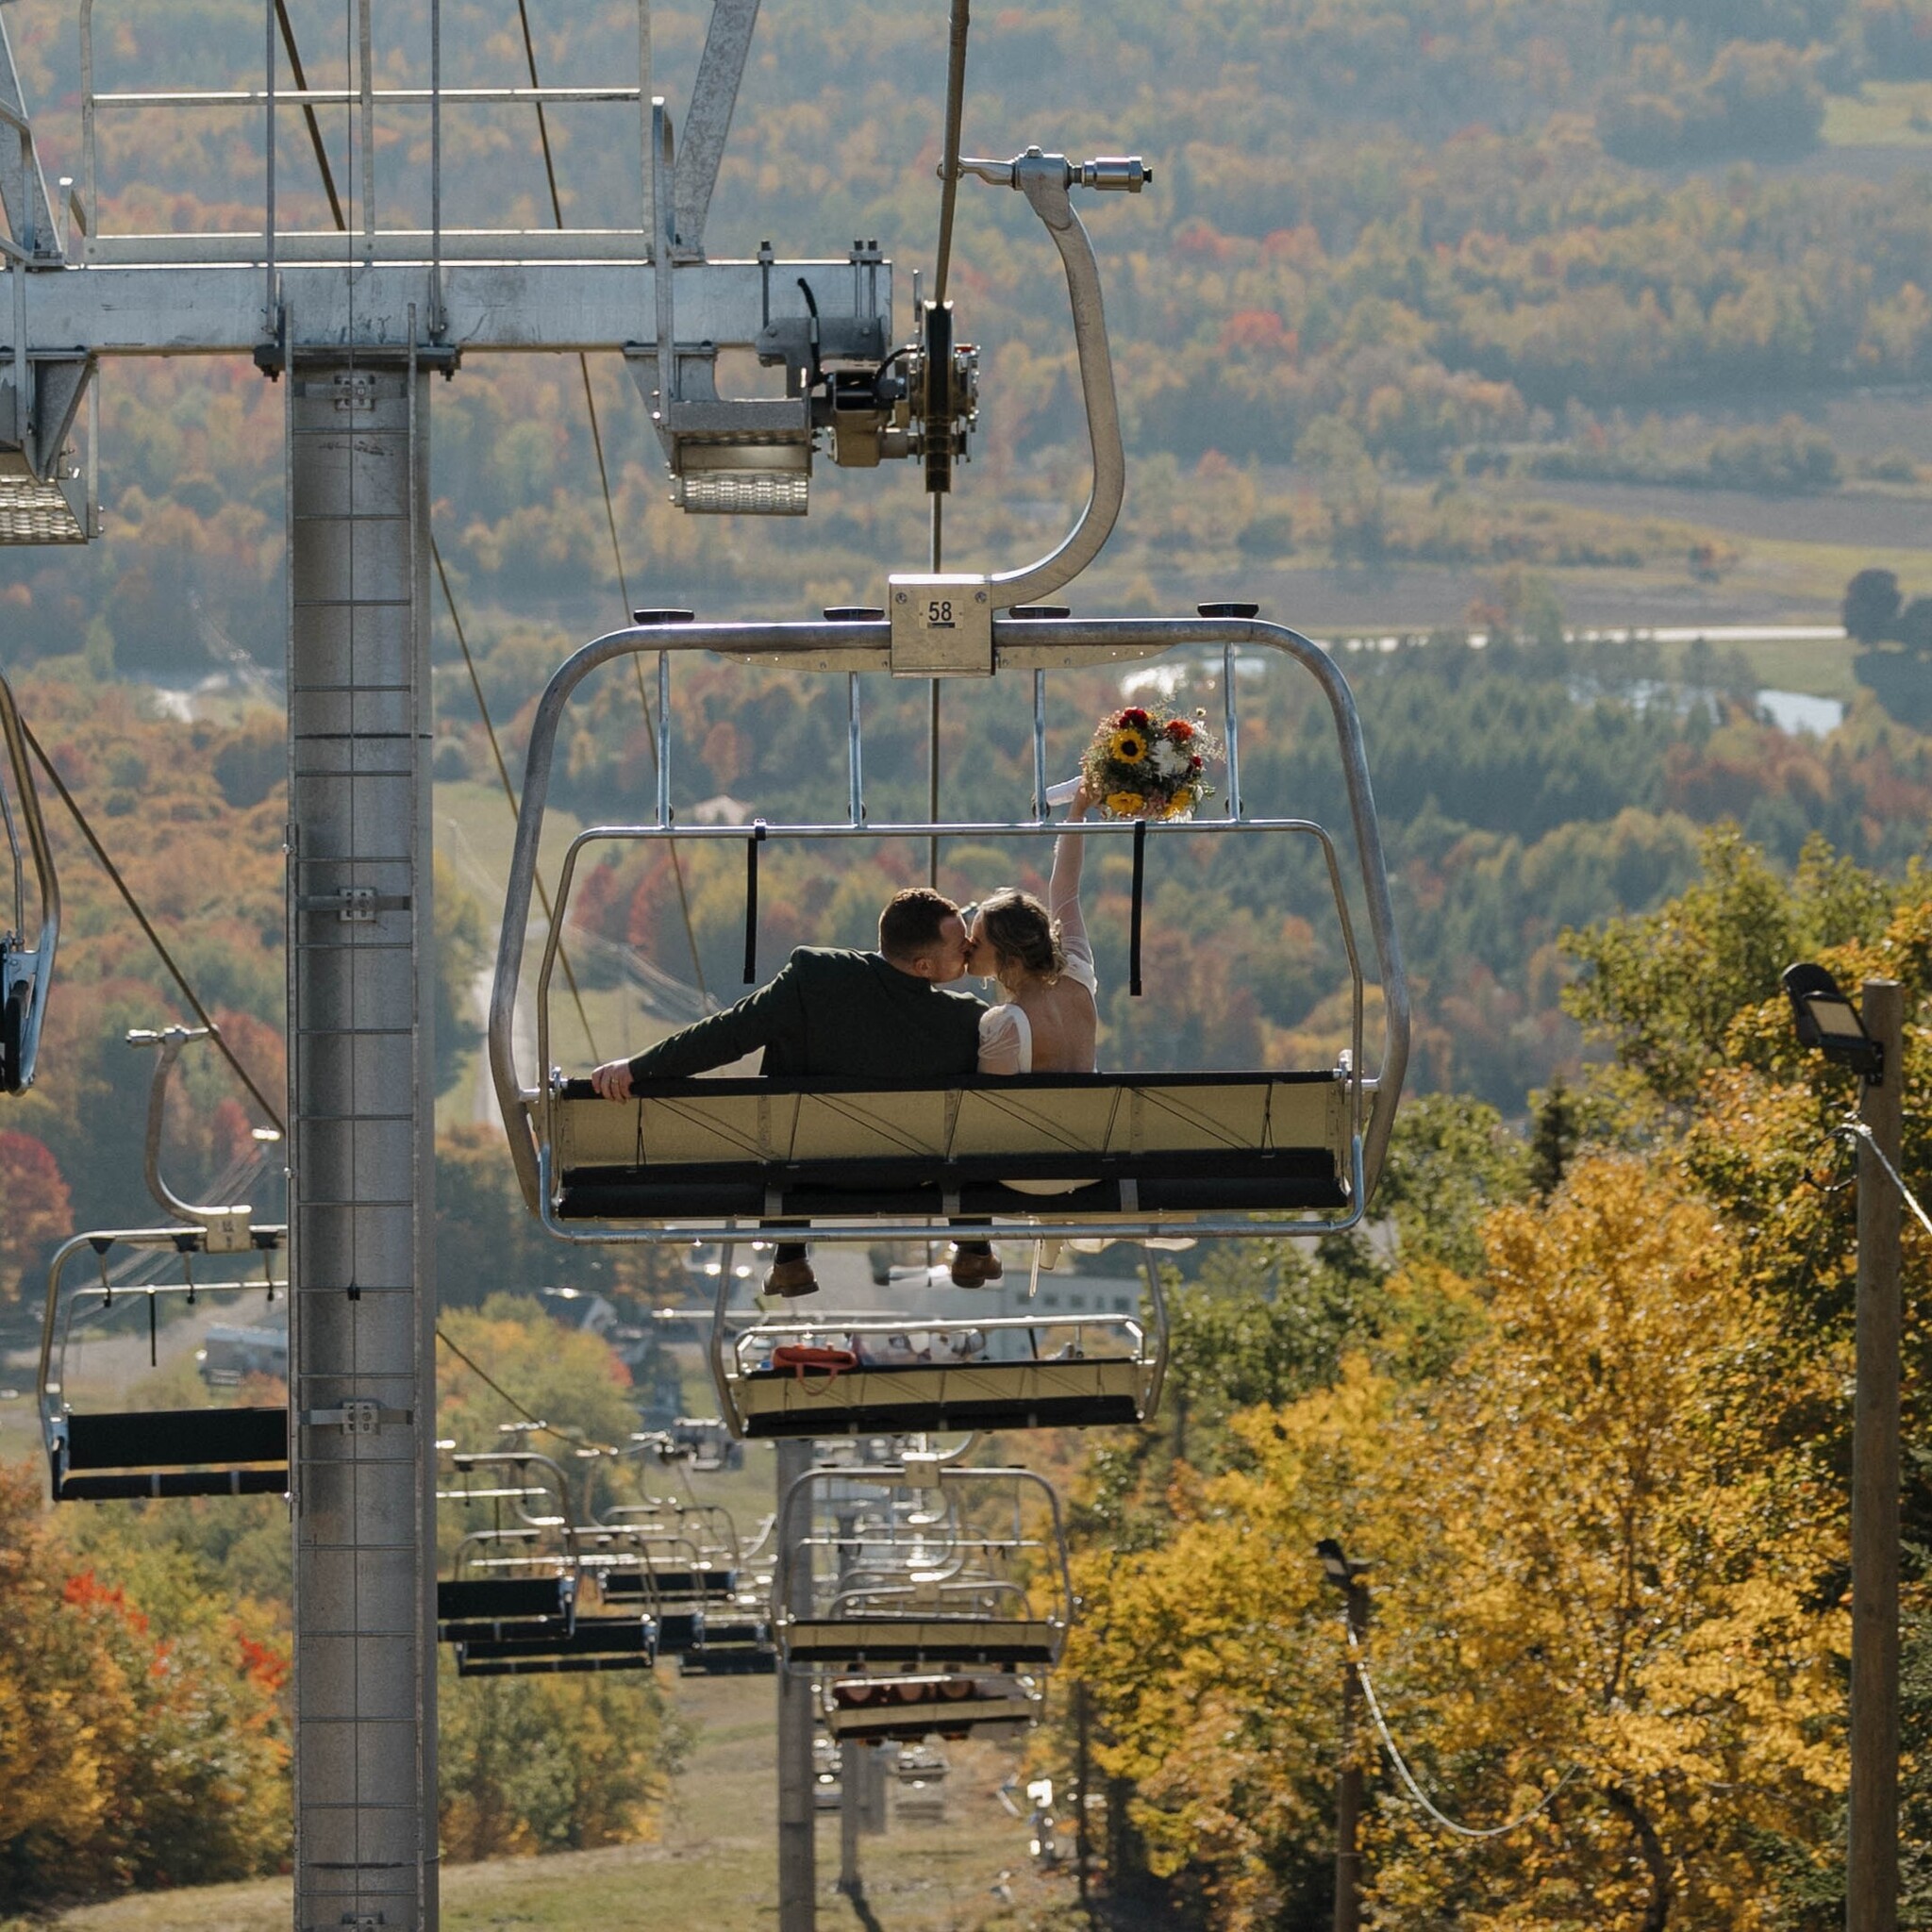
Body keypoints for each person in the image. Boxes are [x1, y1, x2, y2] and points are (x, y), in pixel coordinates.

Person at [588, 886, 998, 1296]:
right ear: (924, 966)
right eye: (960, 942)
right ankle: (974, 1246)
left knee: (790, 1062)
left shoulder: (816, 977)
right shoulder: (967, 1022)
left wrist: (639, 1068)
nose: (968, 946)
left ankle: (790, 1257)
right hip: (917, 1175)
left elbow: (729, 1034)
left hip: (810, 1171)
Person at [968, 783, 1097, 1075]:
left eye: (976, 943)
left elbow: (992, 1111)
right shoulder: (1078, 972)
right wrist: (1077, 811)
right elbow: (1066, 887)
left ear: (1010, 960)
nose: (967, 945)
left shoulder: (1004, 1026)